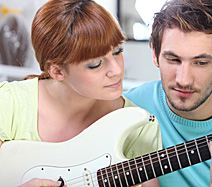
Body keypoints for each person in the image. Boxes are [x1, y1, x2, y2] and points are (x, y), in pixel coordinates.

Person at [0, 0, 162, 186]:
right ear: (58, 71)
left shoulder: (139, 125)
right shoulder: (8, 105)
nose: (116, 70)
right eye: (95, 64)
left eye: (118, 52)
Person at [123, 0, 212, 186]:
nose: (183, 80)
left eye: (201, 63)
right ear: (155, 55)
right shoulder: (128, 108)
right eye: (173, 59)